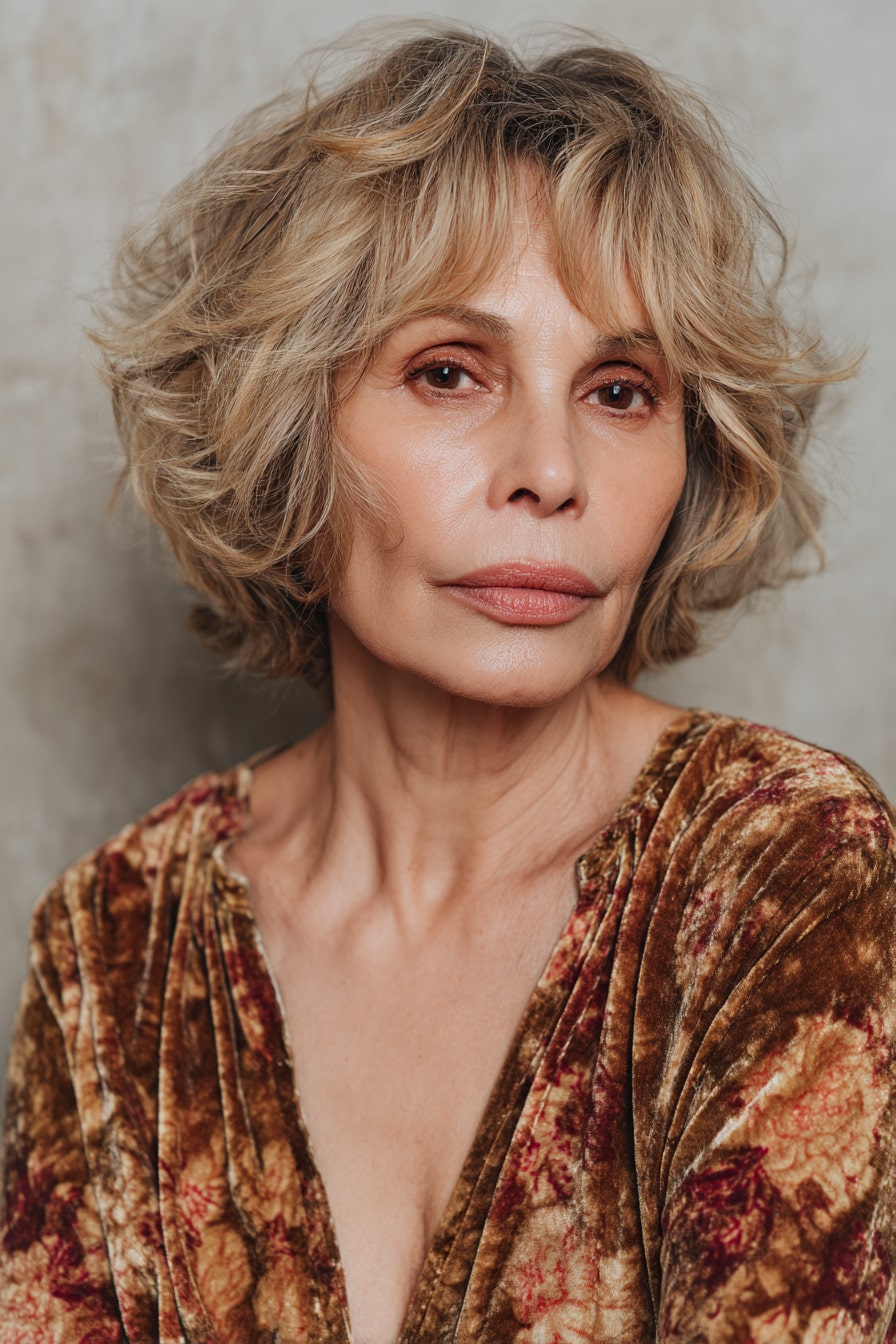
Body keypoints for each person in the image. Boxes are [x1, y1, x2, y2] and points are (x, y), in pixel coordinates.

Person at [2, 24, 895, 1344]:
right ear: (283, 429)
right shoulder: (118, 945)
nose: (553, 470)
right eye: (448, 373)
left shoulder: (784, 873)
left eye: (620, 390)